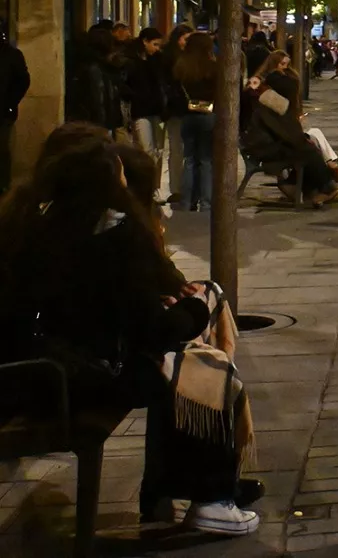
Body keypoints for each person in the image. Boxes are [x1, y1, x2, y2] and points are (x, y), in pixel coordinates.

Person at [0, 126, 262, 535]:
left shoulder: (34, 221)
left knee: (174, 364)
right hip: (77, 380)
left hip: (31, 373)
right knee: (197, 366)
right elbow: (152, 331)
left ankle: (168, 493)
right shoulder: (115, 234)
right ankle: (211, 498)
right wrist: (201, 305)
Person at [241, 70, 338, 207]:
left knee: (309, 146)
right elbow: (285, 133)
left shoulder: (272, 102)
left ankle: (312, 188)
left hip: (269, 144)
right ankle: (326, 188)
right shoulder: (272, 104)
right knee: (309, 151)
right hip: (263, 149)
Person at [171, 33, 218, 212]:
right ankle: (206, 203)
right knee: (206, 161)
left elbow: (173, 91)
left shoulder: (181, 67)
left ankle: (186, 202)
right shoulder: (213, 68)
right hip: (208, 115)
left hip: (188, 115)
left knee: (189, 159)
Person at [66, 25, 126, 135]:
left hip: (99, 124)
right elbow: (98, 100)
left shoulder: (97, 67)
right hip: (99, 125)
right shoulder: (95, 69)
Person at [159, 24, 194, 205]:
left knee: (180, 150)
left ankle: (180, 188)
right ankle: (177, 188)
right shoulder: (171, 58)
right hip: (176, 109)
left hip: (184, 109)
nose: (187, 43)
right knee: (176, 149)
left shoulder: (185, 57)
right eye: (185, 39)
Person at [124, 27, 168, 165]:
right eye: (154, 44)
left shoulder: (158, 60)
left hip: (157, 110)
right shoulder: (130, 60)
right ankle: (147, 182)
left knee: (158, 151)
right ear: (144, 42)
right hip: (140, 110)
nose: (157, 49)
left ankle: (154, 182)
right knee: (146, 149)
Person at [0, 21, 30, 193]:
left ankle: (3, 185)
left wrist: (10, 104)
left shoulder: (12, 55)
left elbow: (22, 81)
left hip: (3, 112)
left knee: (2, 149)